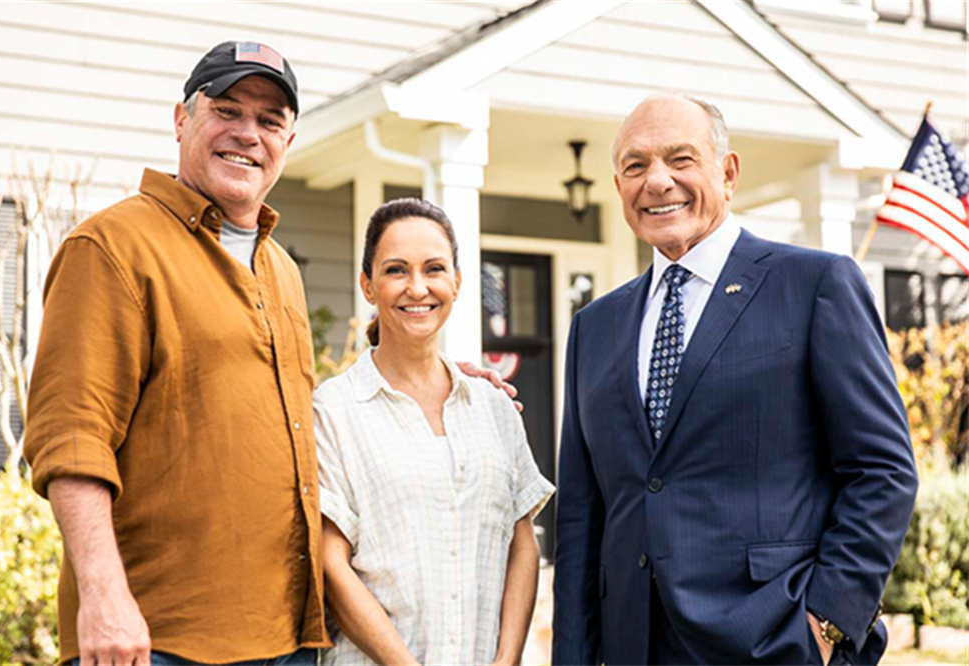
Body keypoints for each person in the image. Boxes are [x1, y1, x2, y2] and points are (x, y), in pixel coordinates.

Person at [551, 94, 918, 666]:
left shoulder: (815, 286)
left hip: (774, 641)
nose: (657, 181)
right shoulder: (593, 327)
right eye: (635, 165)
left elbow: (883, 470)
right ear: (618, 186)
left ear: (727, 173)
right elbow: (580, 516)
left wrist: (825, 624)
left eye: (680, 159)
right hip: (633, 646)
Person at [23, 41, 328, 666]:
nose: (248, 134)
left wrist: (432, 379)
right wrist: (103, 597)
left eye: (269, 121)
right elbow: (71, 437)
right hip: (152, 638)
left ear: (288, 143)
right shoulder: (111, 247)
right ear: (182, 119)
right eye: (227, 111)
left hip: (285, 637)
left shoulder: (282, 270)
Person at [315, 198, 555, 666]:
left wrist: (506, 661)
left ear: (457, 282)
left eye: (434, 269)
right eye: (396, 270)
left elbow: (522, 546)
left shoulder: (494, 408)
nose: (418, 287)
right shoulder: (334, 409)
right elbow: (330, 564)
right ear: (368, 285)